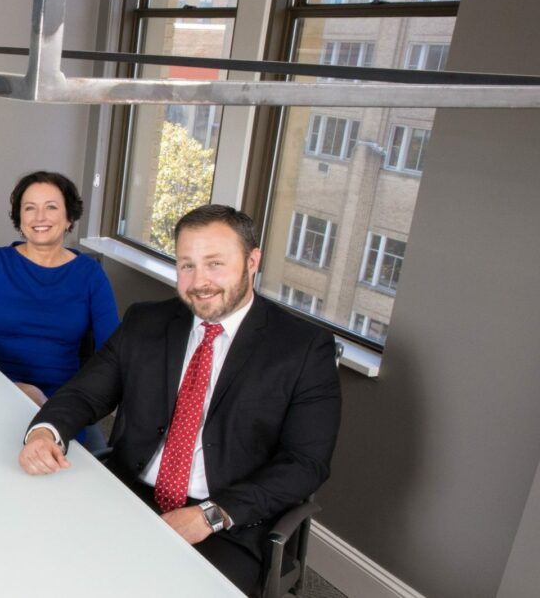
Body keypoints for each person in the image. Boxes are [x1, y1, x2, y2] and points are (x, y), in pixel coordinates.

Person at [17, 205, 342, 593]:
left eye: (215, 264)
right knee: (40, 565)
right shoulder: (146, 321)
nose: (199, 281)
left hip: (227, 524)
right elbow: (85, 392)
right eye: (186, 265)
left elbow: (305, 463)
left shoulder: (303, 349)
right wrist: (45, 432)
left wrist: (210, 515)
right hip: (127, 494)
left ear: (252, 261)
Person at [0, 171, 120, 410]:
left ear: (69, 217)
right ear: (19, 219)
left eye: (51, 207)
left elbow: (112, 351)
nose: (40, 217)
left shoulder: (90, 274)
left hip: (63, 401)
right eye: (30, 208)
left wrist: (78, 403)